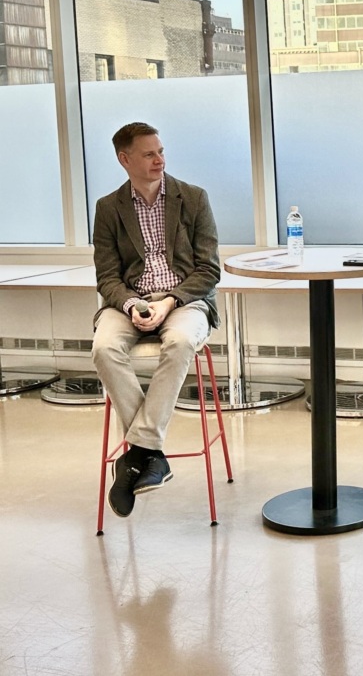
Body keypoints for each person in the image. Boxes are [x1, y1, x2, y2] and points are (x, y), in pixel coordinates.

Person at [93, 122, 221, 518]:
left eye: (161, 151)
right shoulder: (108, 207)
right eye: (149, 154)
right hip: (129, 302)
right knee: (103, 348)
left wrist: (168, 302)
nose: (159, 160)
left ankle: (137, 454)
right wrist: (131, 304)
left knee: (180, 342)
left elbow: (209, 270)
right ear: (124, 159)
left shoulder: (193, 198)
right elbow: (107, 277)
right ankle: (150, 454)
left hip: (185, 301)